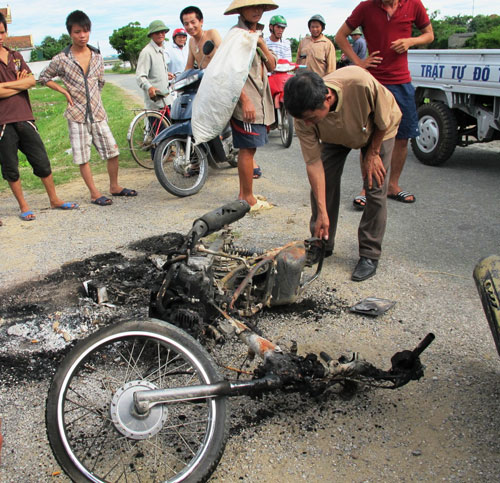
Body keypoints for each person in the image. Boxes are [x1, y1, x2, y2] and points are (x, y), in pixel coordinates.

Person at [284, 68, 402, 281]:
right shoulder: (303, 115)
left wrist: (373, 153)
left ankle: (369, 253)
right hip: (335, 135)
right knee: (324, 184)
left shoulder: (360, 83)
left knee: (375, 186)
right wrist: (322, 212)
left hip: (376, 130)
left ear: (327, 98)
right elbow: (313, 163)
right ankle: (322, 243)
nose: (307, 124)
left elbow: (384, 120)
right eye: (304, 120)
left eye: (311, 118)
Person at [335, 0, 434, 209]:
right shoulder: (366, 6)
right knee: (369, 136)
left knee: (403, 136)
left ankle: (392, 185)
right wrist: (359, 62)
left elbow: (429, 34)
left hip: (402, 81)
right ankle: (367, 188)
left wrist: (410, 41)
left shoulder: (414, 4)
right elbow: (340, 36)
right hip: (374, 81)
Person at [39, 10, 137, 207]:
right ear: (70, 33)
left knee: (113, 151)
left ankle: (115, 186)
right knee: (83, 157)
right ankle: (94, 193)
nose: (82, 36)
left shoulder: (97, 56)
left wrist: (95, 99)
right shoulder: (61, 59)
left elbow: (100, 83)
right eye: (77, 32)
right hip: (76, 115)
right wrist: (64, 92)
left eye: (85, 31)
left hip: (98, 113)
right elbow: (43, 77)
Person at [0, 12, 78, 221]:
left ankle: (54, 199)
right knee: (10, 167)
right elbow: (20, 85)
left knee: (41, 161)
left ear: (6, 32)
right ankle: (23, 206)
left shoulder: (15, 57)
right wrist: (18, 85)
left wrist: (7, 86)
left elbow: (31, 81)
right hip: (2, 122)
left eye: (1, 32)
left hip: (25, 116)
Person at [224, 0, 277, 211]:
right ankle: (246, 197)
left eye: (260, 7)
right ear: (240, 10)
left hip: (260, 99)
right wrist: (244, 100)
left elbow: (272, 65)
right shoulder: (236, 35)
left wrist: (261, 43)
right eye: (252, 6)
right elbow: (229, 72)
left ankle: (248, 193)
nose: (257, 11)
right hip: (246, 101)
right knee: (246, 149)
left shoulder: (258, 35)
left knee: (251, 148)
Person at [136, 20, 172, 110]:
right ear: (152, 35)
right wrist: (149, 87)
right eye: (157, 32)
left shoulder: (161, 50)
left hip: (167, 100)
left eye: (162, 32)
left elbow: (155, 72)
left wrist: (166, 75)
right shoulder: (147, 52)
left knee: (170, 123)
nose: (160, 34)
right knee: (157, 124)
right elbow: (140, 76)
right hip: (156, 104)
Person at [181, 6, 222, 70]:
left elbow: (225, 55)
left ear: (201, 21)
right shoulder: (191, 41)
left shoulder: (212, 33)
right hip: (204, 78)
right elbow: (189, 66)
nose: (190, 27)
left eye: (193, 22)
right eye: (186, 24)